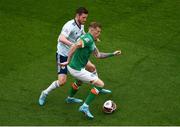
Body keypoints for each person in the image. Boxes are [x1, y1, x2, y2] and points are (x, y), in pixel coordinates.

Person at [39, 7, 110, 106]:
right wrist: (72, 44)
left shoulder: (81, 25)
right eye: (83, 17)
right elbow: (61, 38)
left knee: (92, 67)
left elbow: (82, 34)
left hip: (74, 54)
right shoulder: (69, 26)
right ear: (77, 16)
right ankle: (45, 93)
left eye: (86, 18)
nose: (85, 20)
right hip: (63, 55)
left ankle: (98, 86)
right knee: (62, 81)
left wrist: (92, 37)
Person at [60, 22, 121, 119]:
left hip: (76, 67)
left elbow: (98, 55)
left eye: (100, 32)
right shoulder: (87, 39)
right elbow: (75, 45)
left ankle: (70, 98)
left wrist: (112, 54)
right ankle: (85, 107)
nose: (99, 34)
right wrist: (67, 60)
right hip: (76, 69)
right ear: (91, 30)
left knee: (80, 81)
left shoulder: (91, 40)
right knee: (100, 84)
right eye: (97, 32)